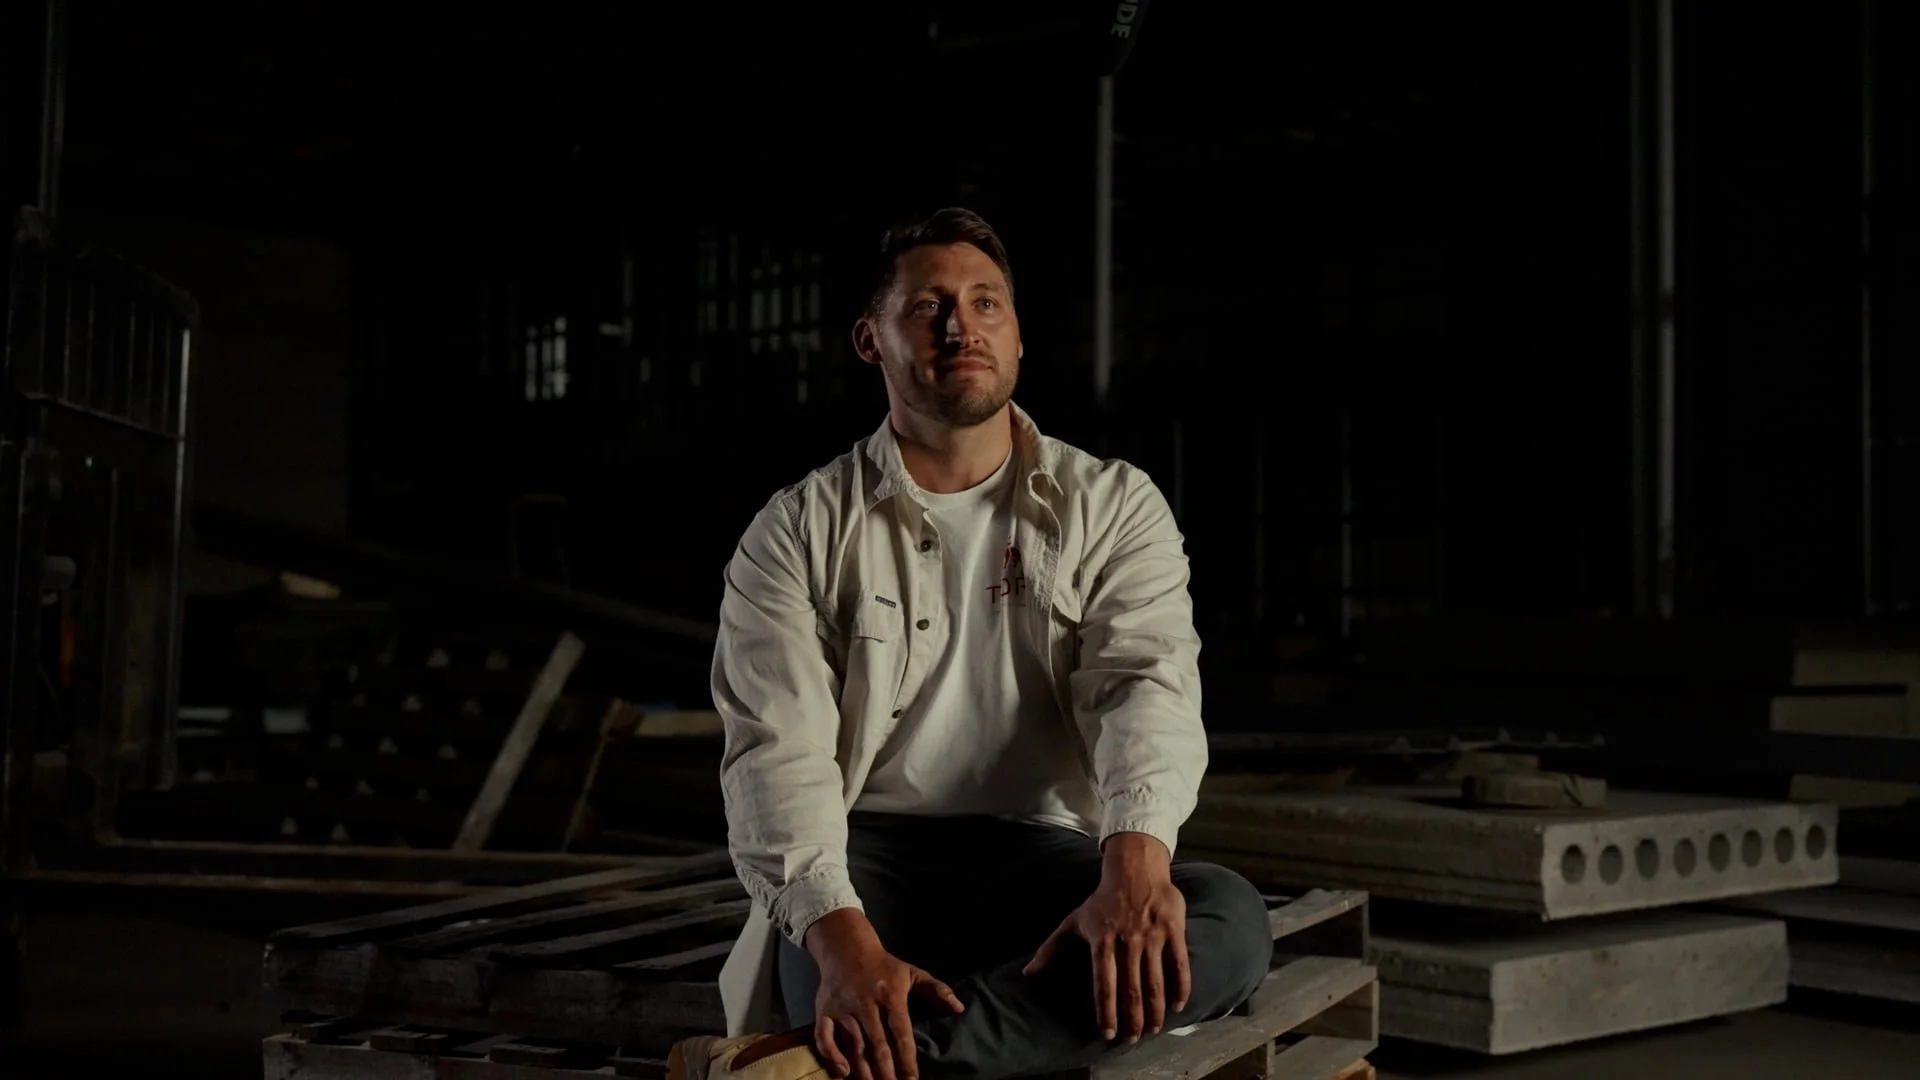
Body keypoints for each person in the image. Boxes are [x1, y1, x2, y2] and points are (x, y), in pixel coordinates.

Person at [672, 209, 1272, 1080]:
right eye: (928, 307)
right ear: (870, 340)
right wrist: (842, 943)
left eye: (987, 303)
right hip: (867, 865)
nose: (962, 326)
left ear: (1018, 335)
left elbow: (1145, 687)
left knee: (1228, 922)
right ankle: (979, 1038)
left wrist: (1134, 869)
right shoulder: (797, 530)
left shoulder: (1112, 505)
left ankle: (813, 1068)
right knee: (838, 974)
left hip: (1044, 858)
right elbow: (776, 753)